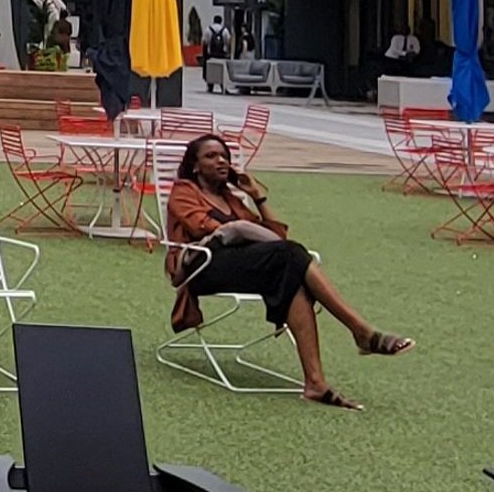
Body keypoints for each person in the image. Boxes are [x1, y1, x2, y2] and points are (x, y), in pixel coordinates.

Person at [165, 132, 413, 410]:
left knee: (291, 272)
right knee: (291, 255)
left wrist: (257, 197)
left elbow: (273, 233)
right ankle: (361, 331)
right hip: (203, 267)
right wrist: (243, 231)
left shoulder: (232, 199)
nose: (221, 161)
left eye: (225, 156)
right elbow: (205, 228)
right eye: (211, 156)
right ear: (195, 165)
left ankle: (316, 383)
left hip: (240, 265)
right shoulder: (184, 191)